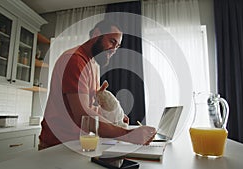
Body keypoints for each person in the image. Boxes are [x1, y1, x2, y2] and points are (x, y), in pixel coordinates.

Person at [39, 20, 156, 150]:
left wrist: (116, 119)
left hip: (78, 143)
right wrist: (128, 134)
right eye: (112, 41)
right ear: (96, 34)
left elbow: (89, 107)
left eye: (117, 46)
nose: (114, 50)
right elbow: (83, 115)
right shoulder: (75, 60)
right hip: (57, 146)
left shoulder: (94, 64)